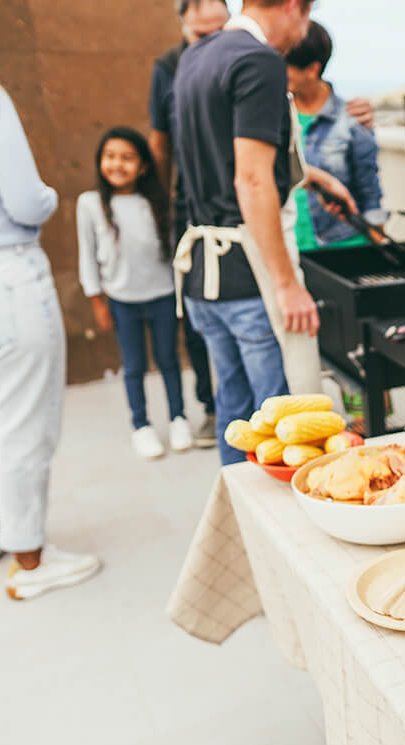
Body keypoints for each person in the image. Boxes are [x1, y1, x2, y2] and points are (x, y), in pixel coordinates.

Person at [171, 0, 357, 464]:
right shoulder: (259, 61)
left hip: (202, 277)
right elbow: (250, 179)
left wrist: (315, 176)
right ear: (295, 6)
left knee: (236, 416)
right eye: (307, 14)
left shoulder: (197, 55)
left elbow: (222, 150)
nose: (304, 27)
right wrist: (287, 284)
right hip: (248, 276)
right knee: (282, 428)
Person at [0, 29, 101, 597]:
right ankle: (31, 560)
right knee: (23, 423)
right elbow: (25, 201)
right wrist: (48, 196)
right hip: (4, 277)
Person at [78, 127, 192, 459]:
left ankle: (178, 418)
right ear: (100, 162)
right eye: (110, 157)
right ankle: (141, 425)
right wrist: (97, 301)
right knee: (134, 365)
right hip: (122, 300)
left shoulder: (155, 202)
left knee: (169, 360)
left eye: (128, 158)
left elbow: (173, 252)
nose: (118, 164)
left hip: (162, 296)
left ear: (143, 167)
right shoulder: (90, 204)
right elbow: (87, 256)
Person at [147, 0, 231, 448]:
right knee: (195, 312)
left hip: (238, 208)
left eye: (219, 31)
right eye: (201, 36)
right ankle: (209, 403)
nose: (211, 43)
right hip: (190, 209)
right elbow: (159, 144)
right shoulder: (168, 67)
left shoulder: (242, 57)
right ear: (182, 27)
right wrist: (168, 206)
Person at [286, 20, 387, 252]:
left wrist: (380, 249)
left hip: (343, 248)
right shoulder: (275, 115)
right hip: (292, 248)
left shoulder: (353, 120)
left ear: (312, 69)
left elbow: (370, 192)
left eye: (286, 65)